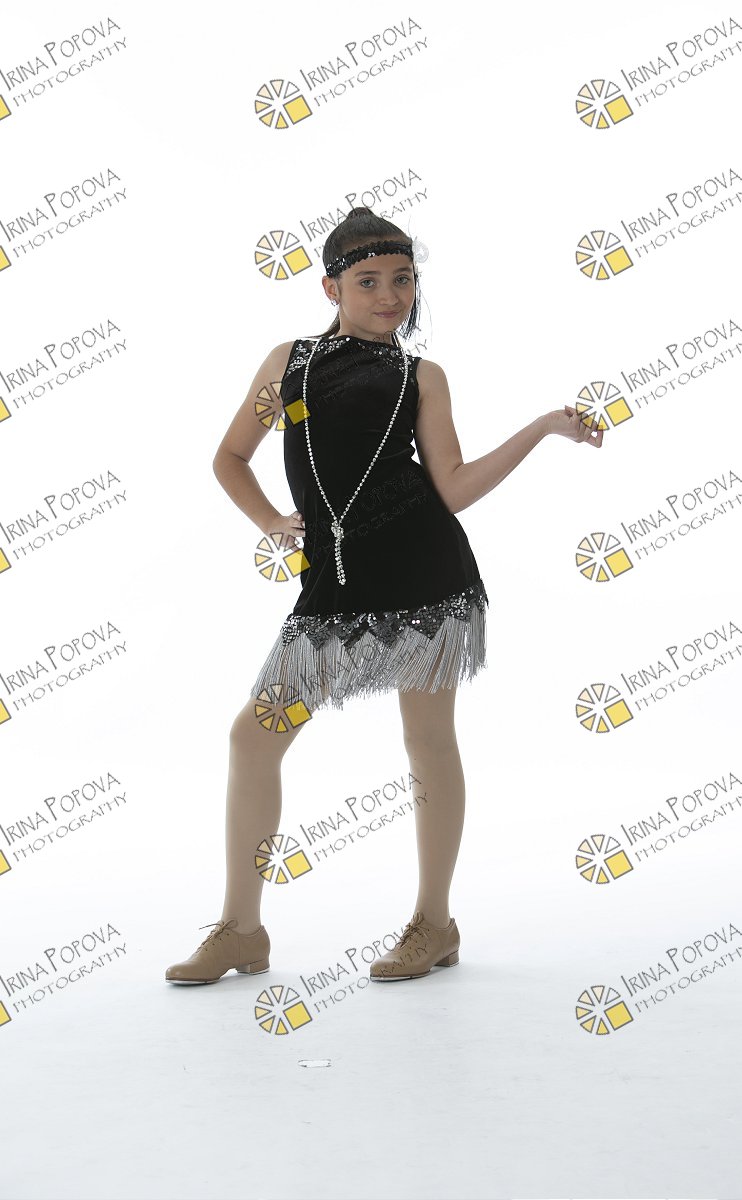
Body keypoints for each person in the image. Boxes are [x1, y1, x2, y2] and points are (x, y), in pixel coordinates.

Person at [165, 207, 603, 986]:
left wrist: (541, 428)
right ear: (330, 287)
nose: (389, 296)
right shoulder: (287, 365)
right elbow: (231, 456)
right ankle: (241, 929)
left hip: (425, 575)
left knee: (427, 743)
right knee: (253, 737)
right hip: (333, 585)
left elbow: (453, 487)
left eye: (402, 280)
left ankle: (434, 923)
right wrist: (272, 521)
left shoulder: (420, 378)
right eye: (368, 281)